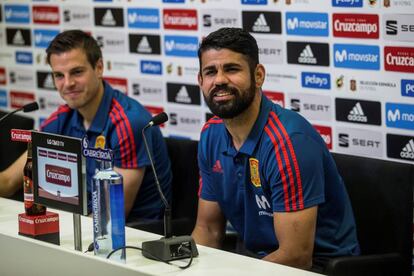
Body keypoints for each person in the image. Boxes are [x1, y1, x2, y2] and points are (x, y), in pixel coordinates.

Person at [191, 27, 360, 271]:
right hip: (253, 261)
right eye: (210, 72)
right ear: (200, 81)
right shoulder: (210, 134)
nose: (219, 80)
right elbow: (208, 229)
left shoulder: (290, 141)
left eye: (231, 69)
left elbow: (296, 256)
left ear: (258, 75)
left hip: (318, 267)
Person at [0, 30, 172, 221]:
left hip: (134, 236)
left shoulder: (129, 123)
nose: (68, 83)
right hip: (81, 225)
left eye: (77, 72)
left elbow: (111, 216)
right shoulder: (61, 120)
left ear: (99, 68)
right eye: (59, 75)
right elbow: (8, 181)